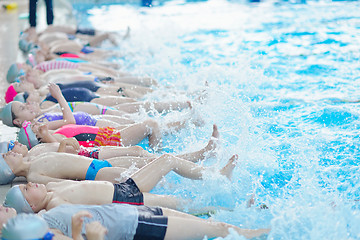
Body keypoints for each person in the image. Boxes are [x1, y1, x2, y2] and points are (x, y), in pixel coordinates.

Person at [2, 153, 238, 211]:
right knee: (182, 203)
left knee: (167, 163)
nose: (30, 184)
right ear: (30, 206)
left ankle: (216, 179)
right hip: (124, 196)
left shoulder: (51, 189)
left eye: (24, 184)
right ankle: (226, 203)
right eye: (26, 190)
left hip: (122, 188)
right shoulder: (55, 205)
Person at [0, 205, 270, 239]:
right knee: (217, 231)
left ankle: (247, 220)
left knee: (209, 224)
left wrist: (77, 228)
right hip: (134, 227)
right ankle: (266, 232)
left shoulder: (40, 230)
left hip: (130, 216)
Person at [0, 124, 218, 166]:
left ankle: (201, 155)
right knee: (152, 159)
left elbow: (68, 149)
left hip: (97, 152)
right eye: (11, 147)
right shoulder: (36, 158)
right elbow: (67, 153)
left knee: (149, 157)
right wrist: (62, 141)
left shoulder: (36, 153)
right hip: (97, 156)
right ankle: (202, 155)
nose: (14, 146)